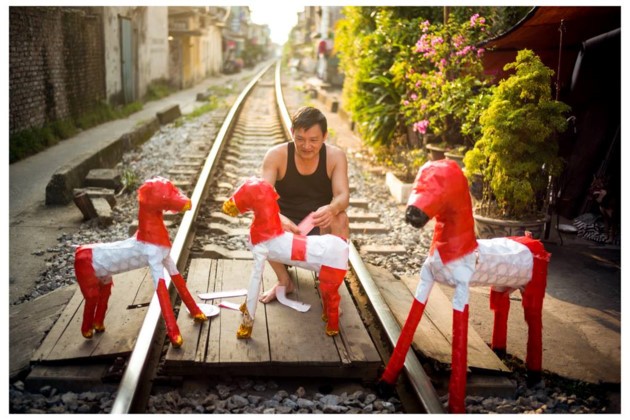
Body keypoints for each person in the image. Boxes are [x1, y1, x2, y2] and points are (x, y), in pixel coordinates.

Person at [260, 106, 350, 303]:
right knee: (262, 218)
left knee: (341, 218)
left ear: (325, 136)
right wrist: (277, 217)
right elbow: (262, 196)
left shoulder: (335, 157)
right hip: (286, 228)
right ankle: (284, 281)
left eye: (313, 140)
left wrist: (332, 208)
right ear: (292, 133)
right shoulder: (276, 155)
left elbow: (343, 195)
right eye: (300, 139)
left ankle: (329, 287)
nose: (306, 145)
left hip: (318, 224)